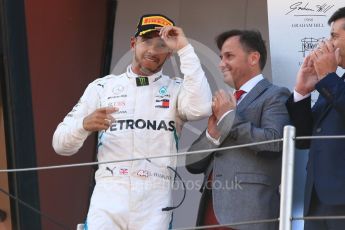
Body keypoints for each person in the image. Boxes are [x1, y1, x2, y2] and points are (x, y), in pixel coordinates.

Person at [52, 14, 212, 230]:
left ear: (169, 52)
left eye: (162, 45)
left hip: (155, 199)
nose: (153, 51)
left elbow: (201, 107)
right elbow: (60, 144)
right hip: (109, 194)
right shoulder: (102, 87)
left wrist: (185, 48)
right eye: (146, 41)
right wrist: (84, 125)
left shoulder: (175, 89)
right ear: (133, 43)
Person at [186, 30, 290, 230]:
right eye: (220, 57)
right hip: (211, 209)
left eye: (229, 56)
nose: (221, 63)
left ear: (253, 58)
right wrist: (212, 135)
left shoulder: (275, 95)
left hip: (249, 212)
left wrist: (228, 118)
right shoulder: (228, 100)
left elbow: (274, 143)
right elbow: (192, 163)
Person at [285, 7, 345, 230]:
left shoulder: (333, 83)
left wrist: (328, 77)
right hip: (317, 200)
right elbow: (304, 139)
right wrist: (302, 92)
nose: (328, 43)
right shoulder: (335, 83)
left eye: (334, 36)